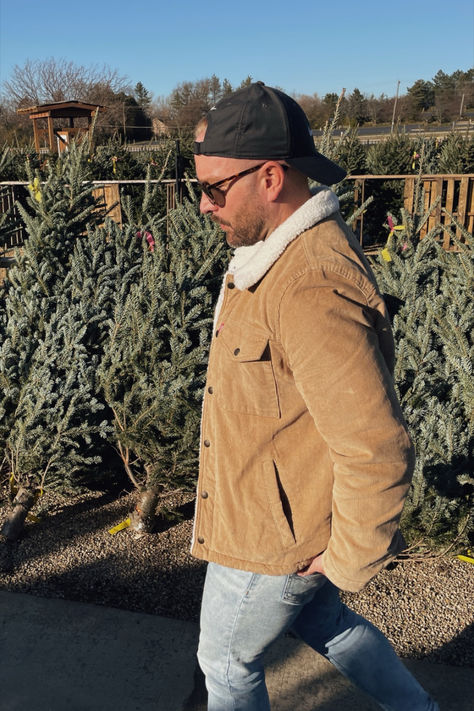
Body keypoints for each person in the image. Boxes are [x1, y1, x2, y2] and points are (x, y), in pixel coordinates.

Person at [191, 81, 439, 711]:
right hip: (277, 514)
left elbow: (376, 445)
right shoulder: (271, 256)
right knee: (324, 624)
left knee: (225, 661)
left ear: (270, 177)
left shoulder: (308, 284)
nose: (203, 205)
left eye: (214, 188)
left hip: (272, 540)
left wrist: (347, 557)